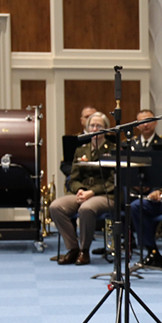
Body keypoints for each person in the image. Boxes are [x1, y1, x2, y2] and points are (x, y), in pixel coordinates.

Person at [49, 112, 115, 265]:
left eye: (99, 126)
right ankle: (73, 249)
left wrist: (91, 192)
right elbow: (73, 178)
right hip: (83, 193)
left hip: (105, 194)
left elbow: (114, 180)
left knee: (86, 208)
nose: (94, 128)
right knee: (56, 207)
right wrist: (80, 190)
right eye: (92, 125)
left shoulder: (113, 149)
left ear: (106, 129)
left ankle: (84, 250)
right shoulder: (81, 150)